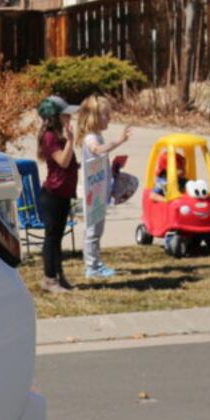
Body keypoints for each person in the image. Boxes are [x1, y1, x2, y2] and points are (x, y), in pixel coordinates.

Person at [74, 95, 131, 280]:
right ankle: (92, 267)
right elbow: (97, 150)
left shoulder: (97, 135)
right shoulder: (91, 138)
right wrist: (119, 141)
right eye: (106, 115)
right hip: (93, 192)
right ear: (94, 117)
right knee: (93, 230)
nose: (109, 118)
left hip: (99, 189)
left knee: (97, 230)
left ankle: (96, 263)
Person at [35, 95, 80, 293]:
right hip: (52, 195)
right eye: (65, 115)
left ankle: (59, 276)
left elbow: (68, 163)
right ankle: (49, 279)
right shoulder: (50, 137)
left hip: (62, 194)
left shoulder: (58, 136)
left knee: (57, 238)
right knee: (51, 238)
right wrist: (71, 141)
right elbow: (62, 161)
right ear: (55, 117)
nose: (69, 118)